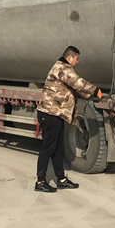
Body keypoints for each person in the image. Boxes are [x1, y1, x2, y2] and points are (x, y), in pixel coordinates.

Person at [35, 46, 102, 193]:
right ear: (70, 57)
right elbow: (77, 82)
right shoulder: (63, 68)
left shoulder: (63, 70)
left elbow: (73, 90)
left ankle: (61, 179)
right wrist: (94, 89)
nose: (77, 62)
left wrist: (90, 96)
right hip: (49, 113)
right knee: (48, 148)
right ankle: (40, 181)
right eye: (77, 59)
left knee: (58, 149)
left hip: (56, 114)